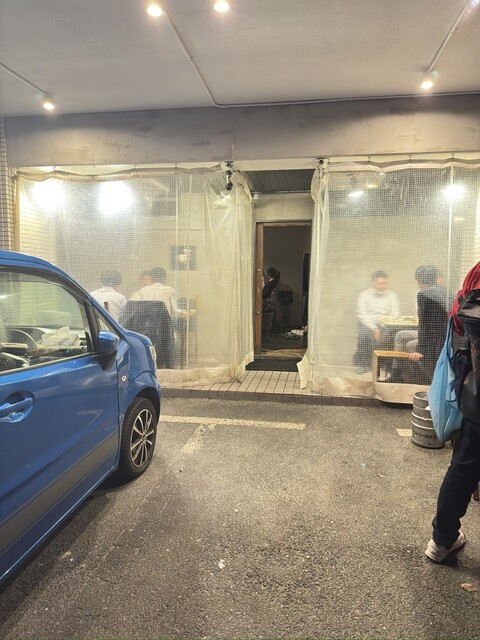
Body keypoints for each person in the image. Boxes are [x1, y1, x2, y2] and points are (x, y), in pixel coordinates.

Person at [425, 261, 480, 563]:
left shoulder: (478, 273)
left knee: (462, 470)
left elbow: (458, 320)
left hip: (477, 395)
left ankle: (441, 541)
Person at [388, 265, 452, 384]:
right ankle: (396, 373)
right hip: (445, 335)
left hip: (437, 339)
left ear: (419, 280)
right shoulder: (446, 292)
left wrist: (420, 350)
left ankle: (415, 379)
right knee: (401, 335)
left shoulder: (424, 294)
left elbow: (424, 325)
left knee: (410, 345)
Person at [353, 270, 400, 373]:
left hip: (386, 324)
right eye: (380, 283)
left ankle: (387, 366)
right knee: (364, 334)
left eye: (385, 283)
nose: (383, 286)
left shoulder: (392, 295)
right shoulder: (364, 295)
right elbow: (362, 314)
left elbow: (395, 313)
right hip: (368, 323)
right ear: (373, 283)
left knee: (395, 335)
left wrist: (385, 327)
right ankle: (363, 365)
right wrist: (374, 328)